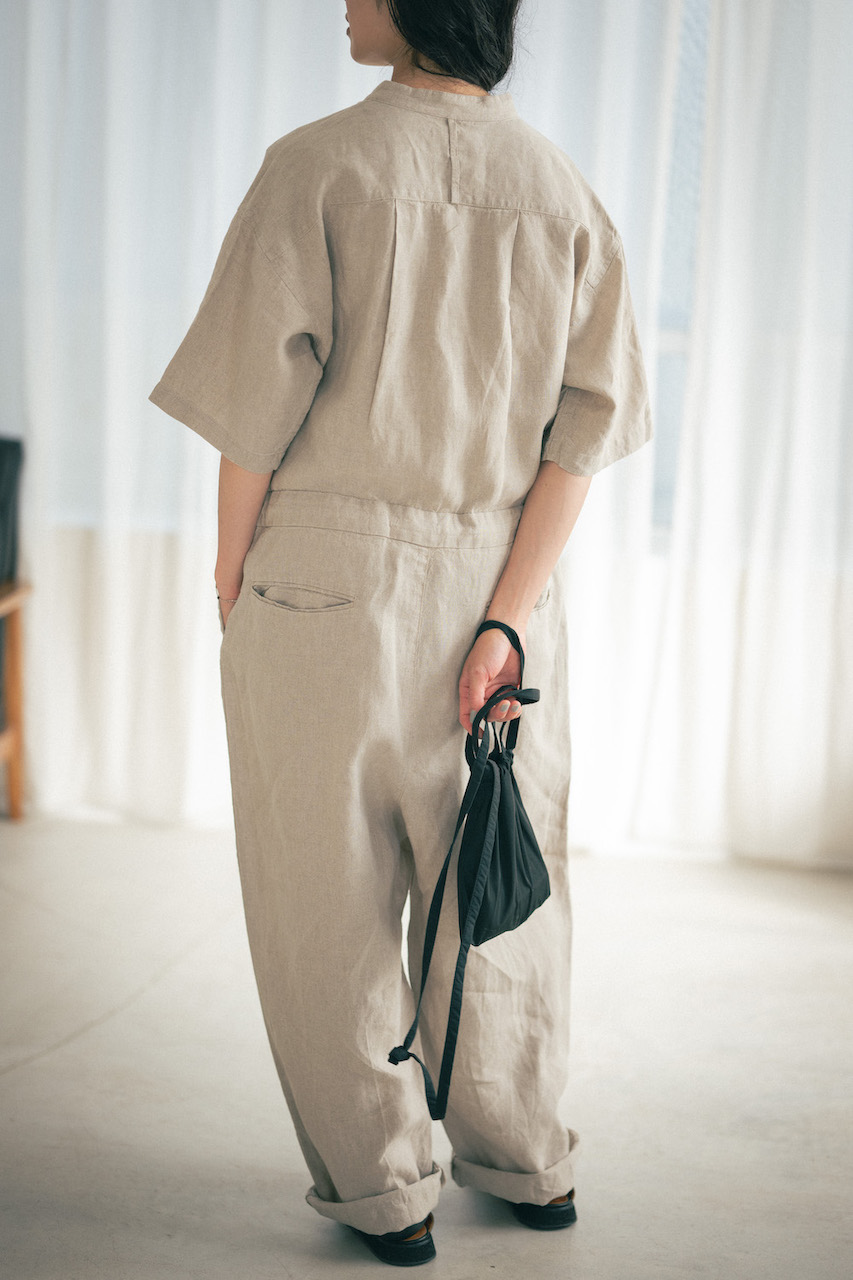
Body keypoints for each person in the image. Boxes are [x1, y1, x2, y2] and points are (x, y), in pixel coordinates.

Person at [150, 0, 653, 1267]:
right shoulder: (563, 193)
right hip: (497, 590)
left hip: (321, 584)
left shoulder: (315, 167)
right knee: (496, 883)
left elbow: (252, 415)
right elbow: (580, 441)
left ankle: (387, 1191)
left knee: (325, 903)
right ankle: (524, 1155)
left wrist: (230, 579)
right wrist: (504, 615)